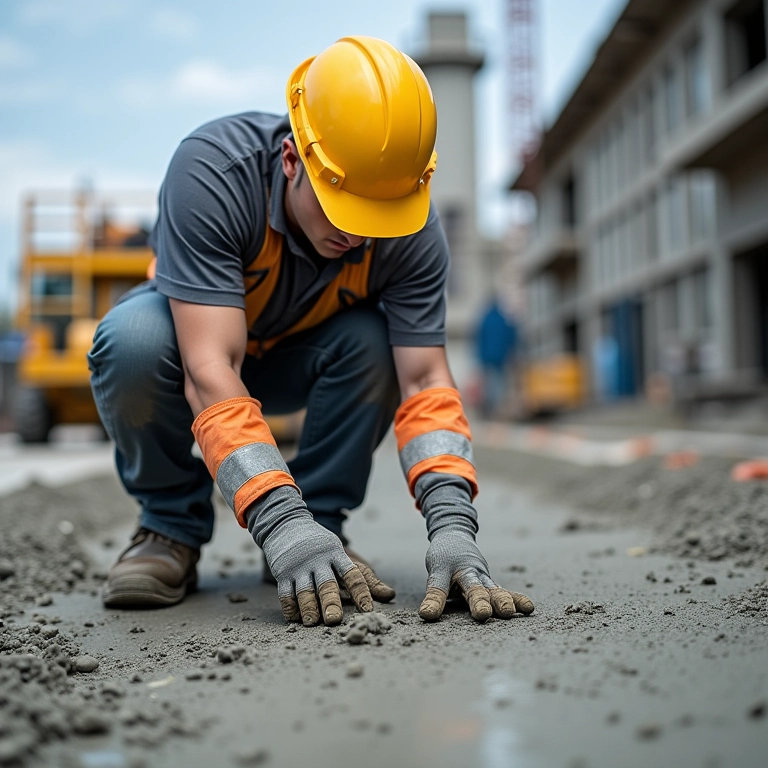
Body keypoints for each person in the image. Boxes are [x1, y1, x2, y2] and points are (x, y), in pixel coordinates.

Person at [88, 36, 534, 628]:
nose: (360, 236)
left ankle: (322, 525)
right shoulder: (213, 172)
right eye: (345, 210)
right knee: (132, 344)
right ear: (293, 160)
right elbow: (208, 368)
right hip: (204, 350)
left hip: (306, 356)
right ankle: (170, 529)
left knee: (375, 340)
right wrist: (278, 520)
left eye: (380, 216)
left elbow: (425, 379)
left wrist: (453, 526)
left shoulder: (410, 225)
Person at [475, 298, 518, 418]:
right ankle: (496, 408)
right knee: (499, 383)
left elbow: (479, 339)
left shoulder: (485, 319)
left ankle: (490, 407)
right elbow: (512, 337)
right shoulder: (503, 319)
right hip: (501, 357)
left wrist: (479, 357)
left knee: (490, 383)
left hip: (487, 357)